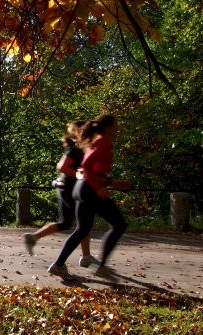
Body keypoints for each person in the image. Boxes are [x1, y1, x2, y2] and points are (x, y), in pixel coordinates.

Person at [47, 114, 132, 282]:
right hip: (90, 189)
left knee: (82, 229)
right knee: (119, 224)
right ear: (107, 128)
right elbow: (87, 167)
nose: (118, 128)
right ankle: (101, 267)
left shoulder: (95, 143)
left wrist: (113, 183)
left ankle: (59, 265)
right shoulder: (104, 143)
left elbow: (94, 170)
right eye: (116, 125)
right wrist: (99, 188)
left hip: (82, 187)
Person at [23, 121, 99, 269]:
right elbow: (62, 166)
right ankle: (85, 257)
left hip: (67, 187)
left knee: (70, 223)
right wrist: (80, 175)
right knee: (82, 223)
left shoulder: (78, 149)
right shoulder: (76, 150)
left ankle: (33, 237)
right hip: (69, 188)